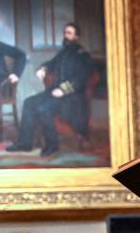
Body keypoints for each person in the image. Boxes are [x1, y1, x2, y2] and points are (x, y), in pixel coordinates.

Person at [6, 22, 93, 157]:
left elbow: (81, 79)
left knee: (44, 108)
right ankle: (25, 143)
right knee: (29, 102)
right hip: (54, 92)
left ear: (77, 37)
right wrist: (43, 68)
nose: (65, 35)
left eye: (69, 33)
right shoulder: (64, 52)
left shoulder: (83, 55)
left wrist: (63, 90)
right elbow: (51, 63)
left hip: (72, 98)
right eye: (65, 32)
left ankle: (52, 145)